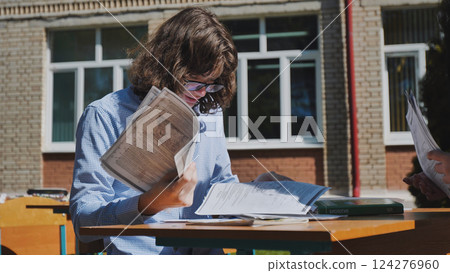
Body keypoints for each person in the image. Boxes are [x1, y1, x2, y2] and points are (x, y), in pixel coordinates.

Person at [69, 7, 240, 255]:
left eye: (211, 85)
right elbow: (83, 219)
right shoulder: (104, 115)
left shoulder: (209, 113)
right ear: (165, 66)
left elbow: (221, 184)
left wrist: (259, 197)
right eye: (192, 81)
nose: (201, 93)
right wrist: (147, 205)